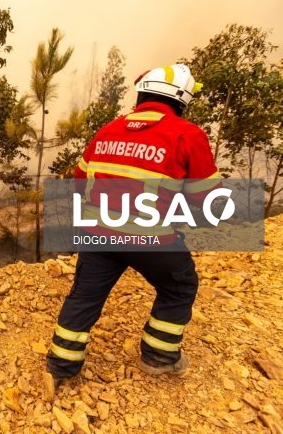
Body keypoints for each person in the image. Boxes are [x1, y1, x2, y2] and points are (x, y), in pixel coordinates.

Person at [46, 63, 220, 384]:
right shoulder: (188, 134)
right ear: (181, 101)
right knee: (179, 286)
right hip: (150, 237)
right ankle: (159, 357)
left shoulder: (108, 130)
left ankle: (60, 367)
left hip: (98, 233)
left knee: (84, 296)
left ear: (141, 94)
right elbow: (207, 198)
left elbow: (80, 180)